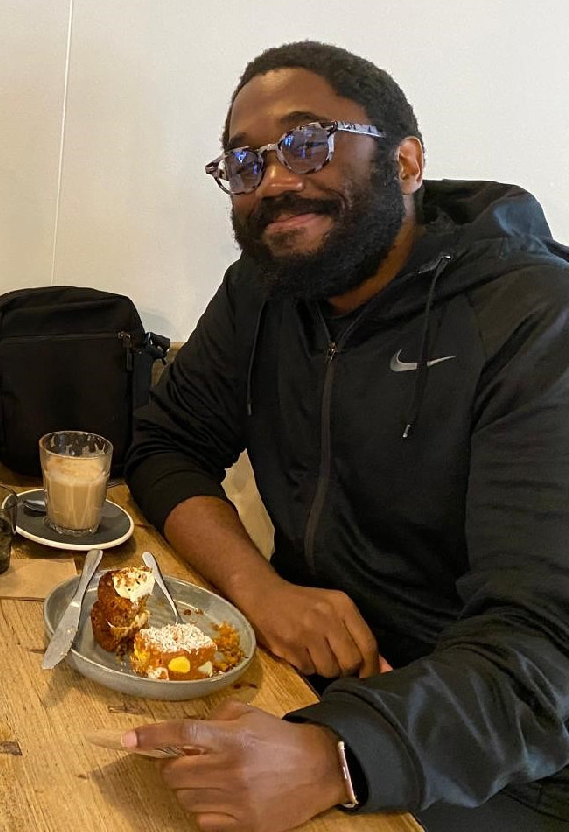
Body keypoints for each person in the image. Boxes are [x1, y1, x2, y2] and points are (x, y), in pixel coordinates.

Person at [123, 41, 569, 831]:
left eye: (307, 143)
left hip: (501, 760)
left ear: (406, 161)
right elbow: (167, 444)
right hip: (308, 683)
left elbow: (546, 645)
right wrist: (263, 593)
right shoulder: (264, 291)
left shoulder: (535, 320)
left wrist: (337, 755)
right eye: (245, 163)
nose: (274, 181)